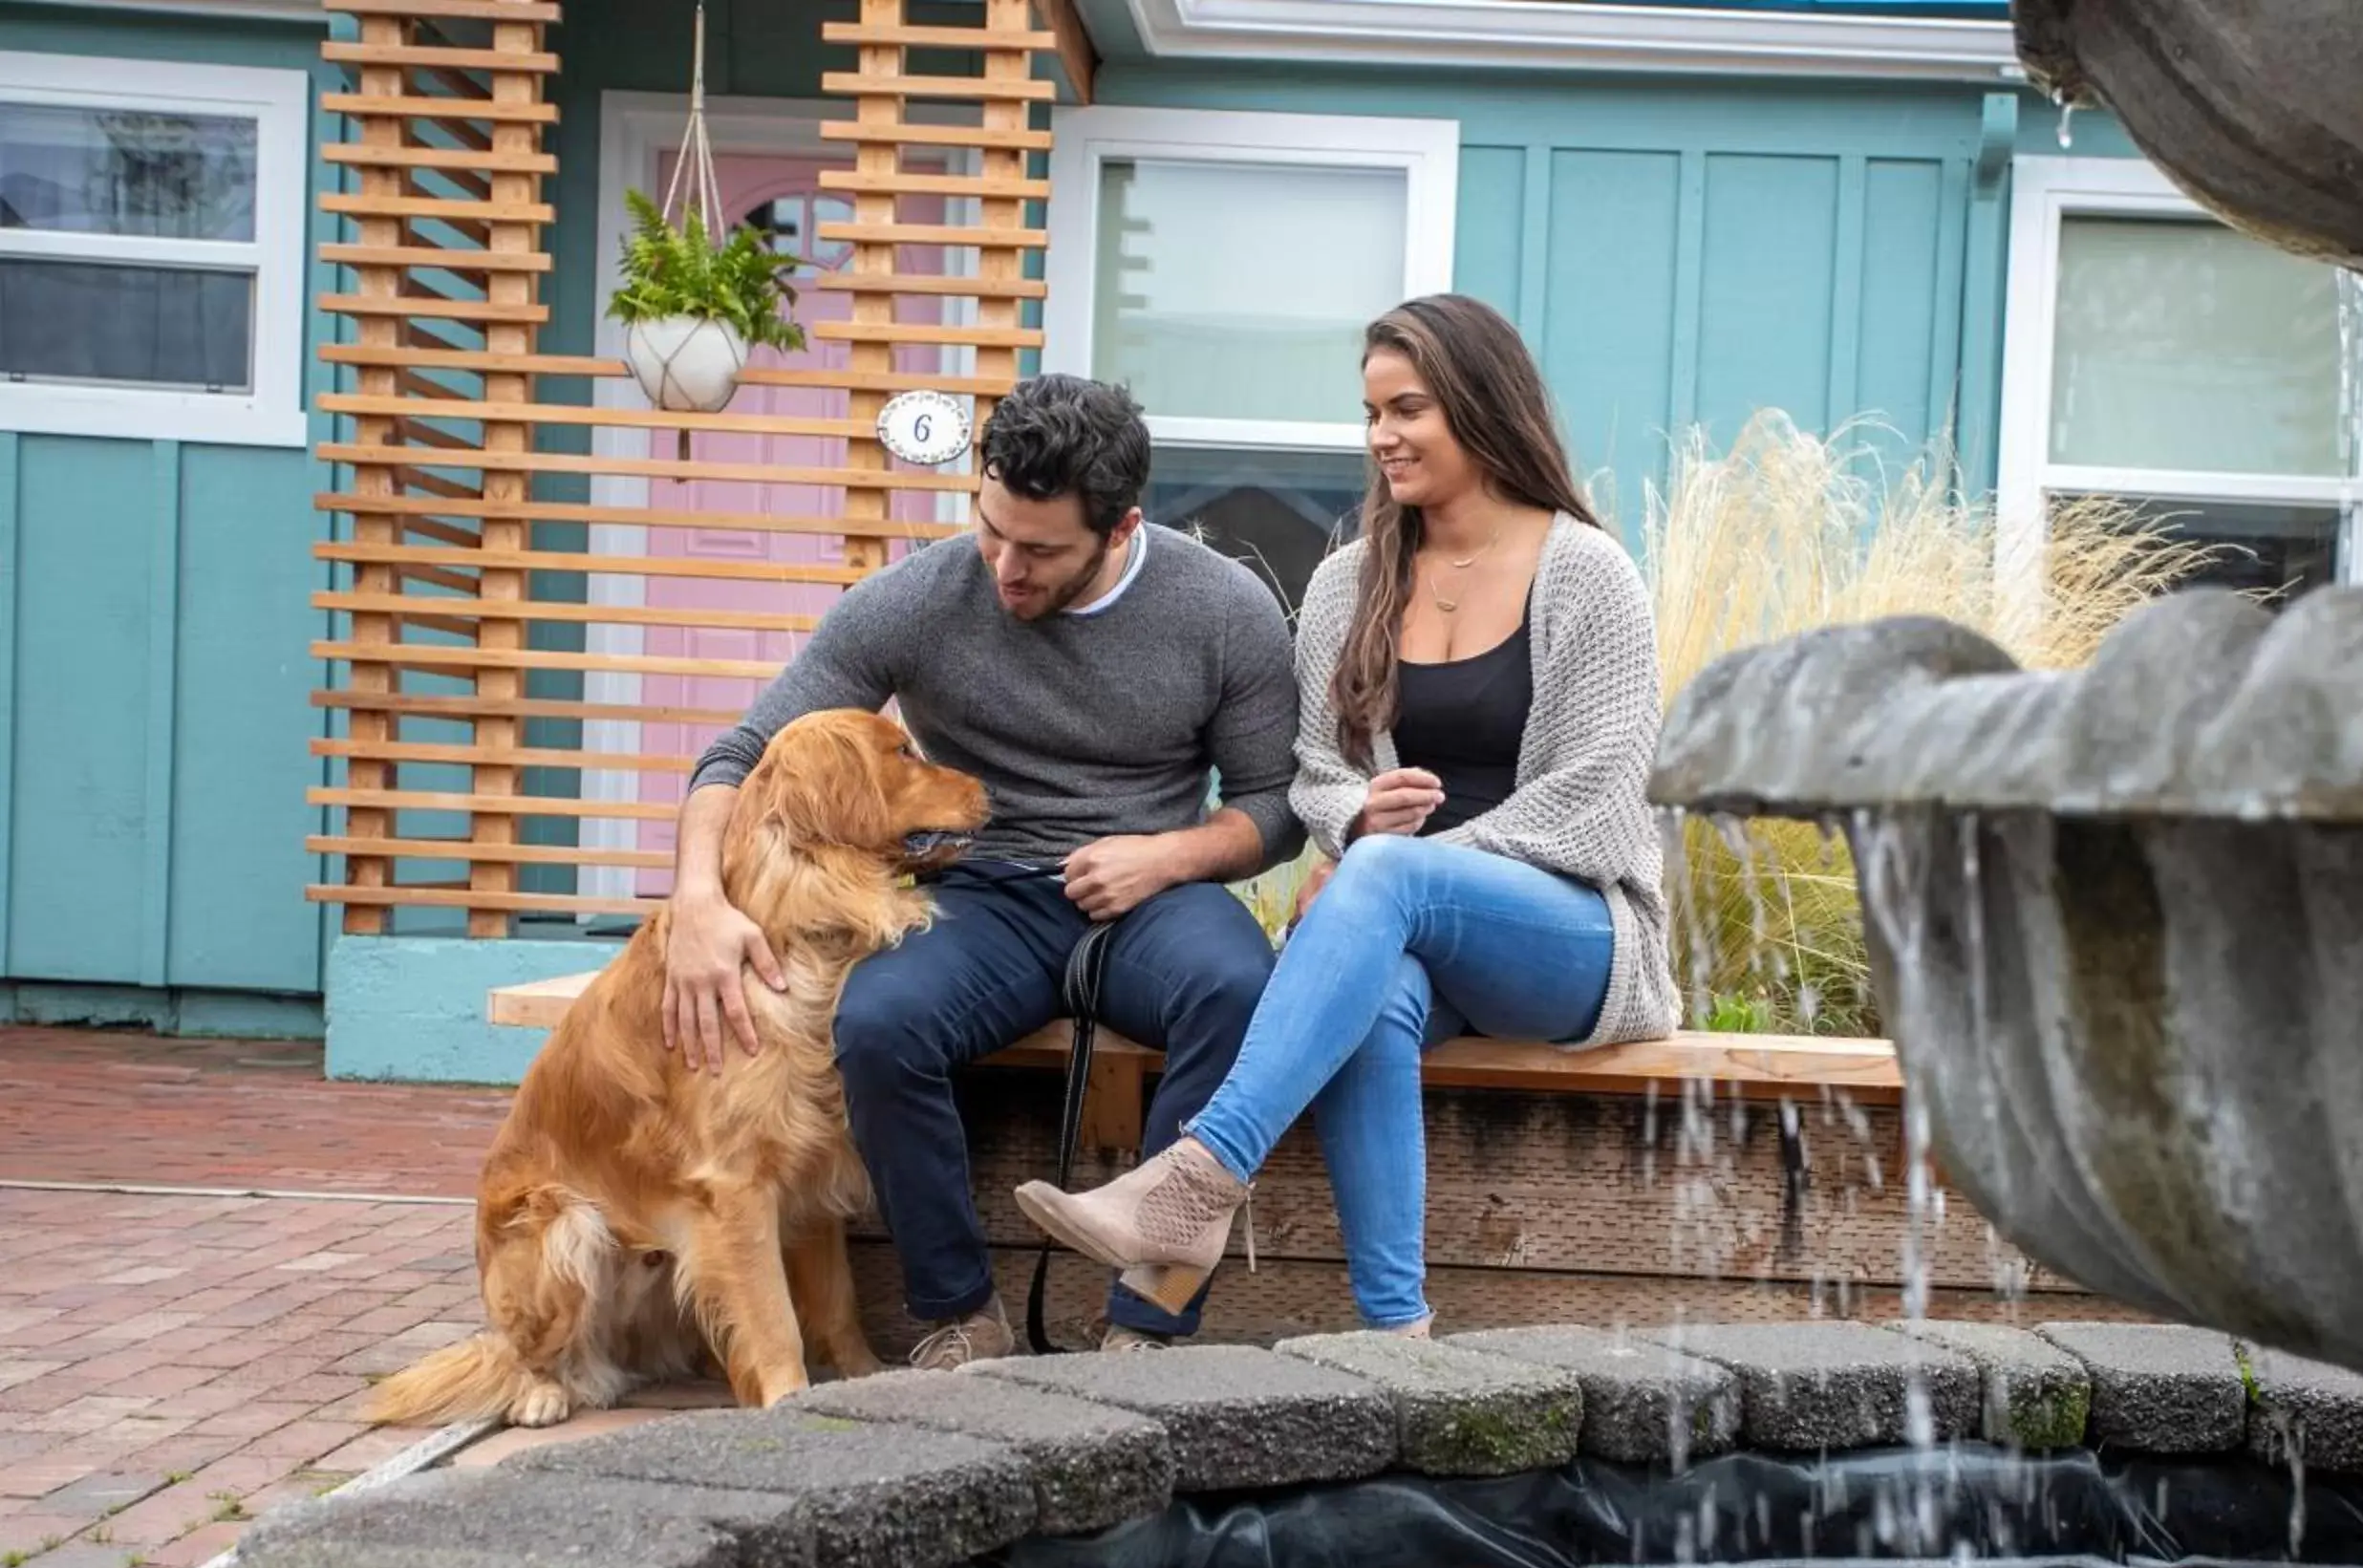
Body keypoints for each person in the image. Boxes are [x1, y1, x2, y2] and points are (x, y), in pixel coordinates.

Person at [1015, 294, 1677, 1335]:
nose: (1380, 437)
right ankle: (1397, 1340)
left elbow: (1597, 801)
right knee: (1377, 991)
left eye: (1406, 409)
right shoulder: (1347, 582)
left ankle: (1194, 1180)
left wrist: (1401, 860)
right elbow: (1315, 772)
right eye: (1370, 412)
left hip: (1573, 932)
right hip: (1410, 924)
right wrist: (1359, 811)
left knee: (1379, 884)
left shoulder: (1587, 573)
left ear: (1479, 404)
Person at [664, 375, 1303, 1364]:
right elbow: (740, 751)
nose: (1005, 565)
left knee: (1237, 987)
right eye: (990, 527)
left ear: (1122, 526)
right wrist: (696, 900)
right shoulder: (918, 598)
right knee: (876, 1023)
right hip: (978, 894)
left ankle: (1151, 1323)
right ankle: (959, 1313)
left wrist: (1169, 855)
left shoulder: (1224, 609)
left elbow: (1275, 806)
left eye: (1041, 549)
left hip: (1151, 893)